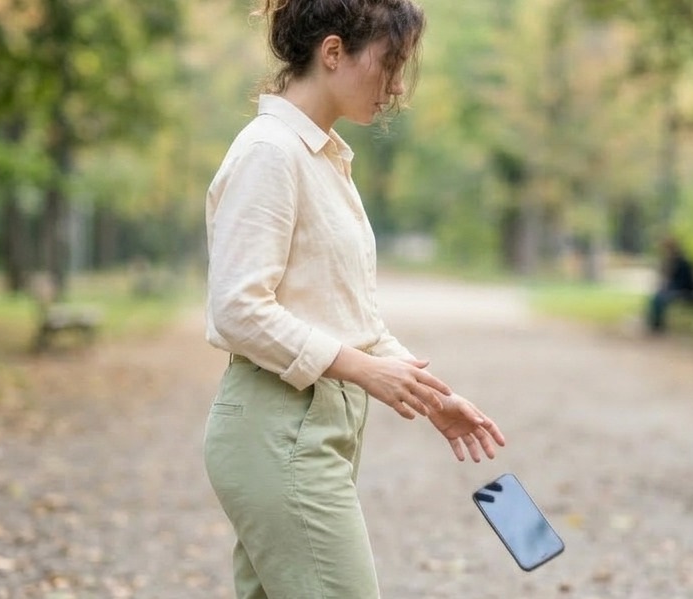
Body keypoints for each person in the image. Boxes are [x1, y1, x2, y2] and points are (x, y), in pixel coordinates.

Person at [202, 1, 507, 597]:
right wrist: (365, 371)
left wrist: (431, 394)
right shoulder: (271, 151)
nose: (397, 87)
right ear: (333, 52)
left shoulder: (326, 161)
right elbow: (237, 309)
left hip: (313, 431)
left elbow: (352, 316)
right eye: (389, 65)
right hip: (279, 430)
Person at [646, 236, 693, 334]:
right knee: (656, 297)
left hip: (686, 292)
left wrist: (670, 287)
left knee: (660, 298)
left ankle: (657, 326)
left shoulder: (682, 263)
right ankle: (655, 324)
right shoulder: (673, 262)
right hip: (678, 290)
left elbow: (684, 282)